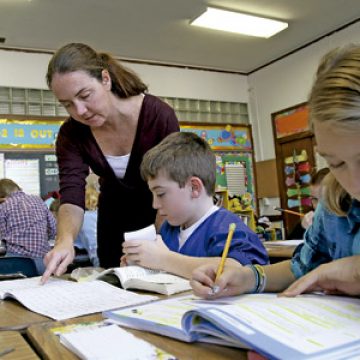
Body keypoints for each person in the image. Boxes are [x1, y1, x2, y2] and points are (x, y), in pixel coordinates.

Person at [191, 44, 360, 298]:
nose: (354, 185)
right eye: (336, 164)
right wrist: (248, 277)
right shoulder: (335, 202)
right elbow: (301, 267)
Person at [42, 42, 179, 281]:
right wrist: (65, 241)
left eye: (84, 95)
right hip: (112, 220)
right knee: (112, 287)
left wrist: (158, 242)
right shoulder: (72, 134)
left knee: (156, 285)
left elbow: (171, 187)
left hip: (160, 216)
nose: (80, 111)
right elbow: (72, 194)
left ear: (105, 79)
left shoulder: (158, 116)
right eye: (67, 104)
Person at [122, 132, 268, 279]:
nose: (155, 205)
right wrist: (140, 264)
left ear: (194, 188)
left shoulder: (228, 228)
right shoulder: (169, 229)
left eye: (160, 194)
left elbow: (240, 273)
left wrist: (163, 259)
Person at [0, 179, 56, 275]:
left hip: (18, 265)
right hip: (44, 263)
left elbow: (2, 236)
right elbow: (53, 229)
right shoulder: (38, 200)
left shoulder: (4, 206)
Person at [288, 167, 330, 239]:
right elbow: (291, 244)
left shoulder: (350, 218)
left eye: (324, 199)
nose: (318, 206)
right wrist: (303, 228)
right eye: (315, 199)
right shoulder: (311, 216)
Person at [73, 185, 100, 267]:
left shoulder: (85, 217)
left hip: (88, 258)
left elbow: (93, 245)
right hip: (87, 259)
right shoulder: (94, 215)